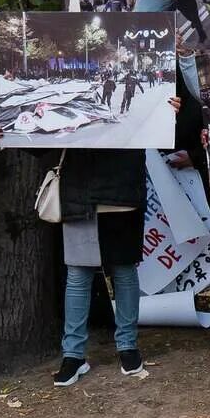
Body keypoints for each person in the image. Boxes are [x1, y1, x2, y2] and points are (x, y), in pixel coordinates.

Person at [48, 145, 149, 385]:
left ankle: (127, 346)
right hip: (80, 189)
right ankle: (73, 354)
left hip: (120, 186)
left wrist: (169, 109)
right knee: (78, 272)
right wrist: (12, 132)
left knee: (123, 269)